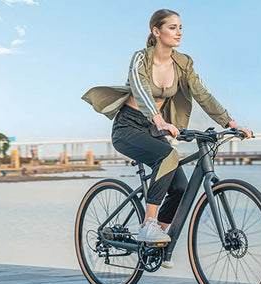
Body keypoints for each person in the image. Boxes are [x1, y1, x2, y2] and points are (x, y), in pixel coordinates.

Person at [82, 9, 252, 266]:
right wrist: (159, 119)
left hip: (155, 130)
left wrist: (230, 122)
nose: (179, 32)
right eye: (172, 27)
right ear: (156, 32)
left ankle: (155, 242)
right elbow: (139, 88)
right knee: (168, 155)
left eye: (180, 27)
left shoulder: (184, 64)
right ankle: (148, 225)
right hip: (128, 127)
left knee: (181, 188)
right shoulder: (141, 58)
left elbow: (202, 94)